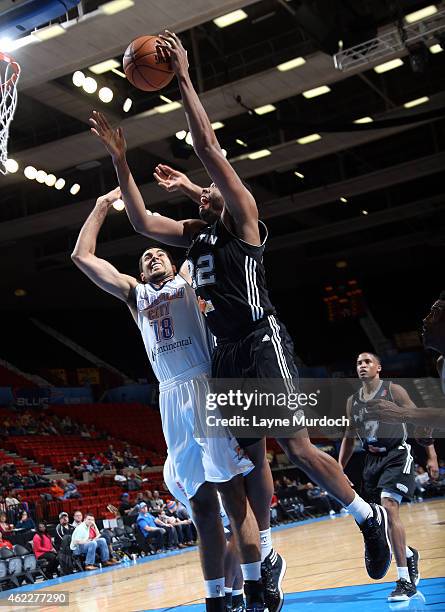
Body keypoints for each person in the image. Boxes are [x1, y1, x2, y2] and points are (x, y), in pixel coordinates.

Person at [89, 32, 393, 612]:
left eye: (212, 191)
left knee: (298, 448)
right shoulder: (195, 234)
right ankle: (268, 557)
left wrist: (180, 79)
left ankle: (366, 515)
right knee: (250, 465)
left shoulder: (245, 223)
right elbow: (139, 218)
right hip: (223, 357)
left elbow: (206, 146)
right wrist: (119, 161)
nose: (205, 193)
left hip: (260, 341)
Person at [72, 187, 257, 611]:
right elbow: (82, 258)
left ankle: (254, 585)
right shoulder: (136, 295)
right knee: (202, 507)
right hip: (170, 397)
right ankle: (215, 599)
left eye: (157, 254)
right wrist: (102, 206)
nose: (151, 258)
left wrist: (195, 191)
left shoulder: (191, 277)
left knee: (233, 497)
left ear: (173, 261)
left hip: (206, 384)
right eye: (143, 259)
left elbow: (220, 220)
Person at [339, 352, 439, 602]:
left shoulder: (394, 391)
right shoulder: (353, 401)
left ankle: (405, 580)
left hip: (397, 455)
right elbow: (349, 438)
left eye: (367, 362)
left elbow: (420, 422)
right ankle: (408, 554)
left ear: (379, 367)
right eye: (358, 362)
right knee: (379, 522)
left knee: (389, 507)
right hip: (371, 462)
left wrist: (432, 456)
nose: (362, 366)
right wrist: (339, 469)